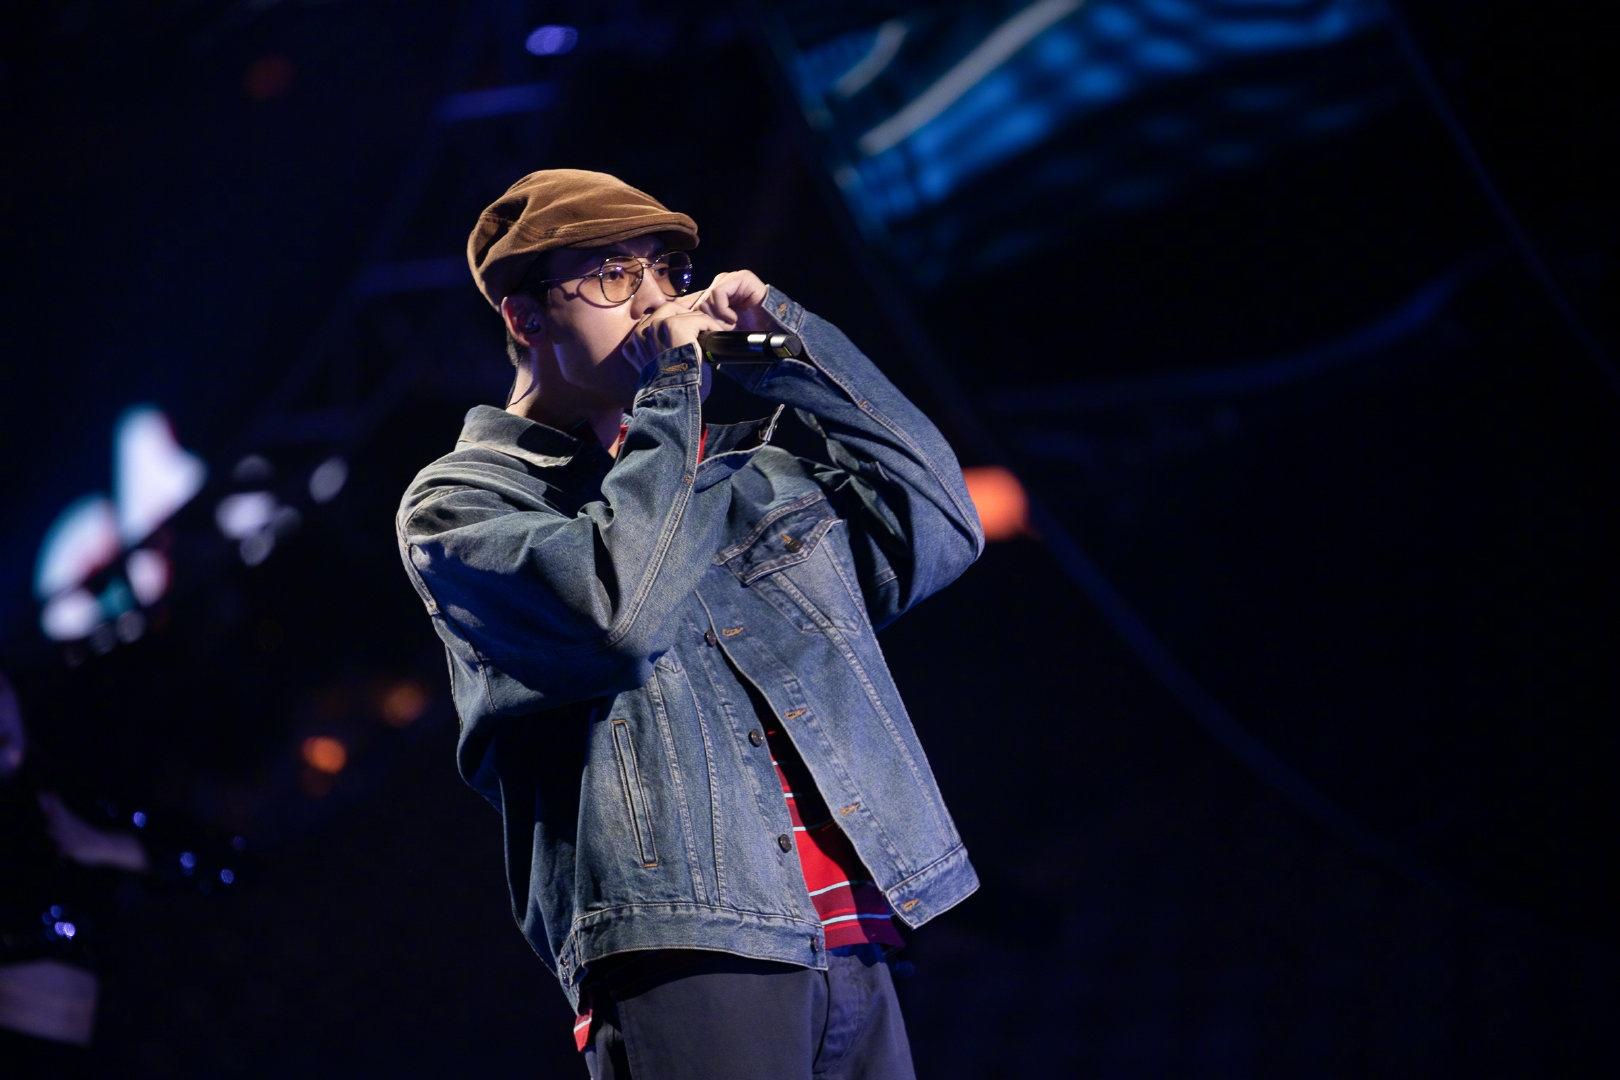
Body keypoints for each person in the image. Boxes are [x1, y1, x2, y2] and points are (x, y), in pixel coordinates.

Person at [395, 169, 985, 1078]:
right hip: (686, 947)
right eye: (611, 274)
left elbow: (943, 523)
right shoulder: (462, 503)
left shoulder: (738, 475)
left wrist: (785, 344)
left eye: (664, 270)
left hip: (854, 937)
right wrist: (674, 389)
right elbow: (619, 619)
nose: (652, 300)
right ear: (525, 317)